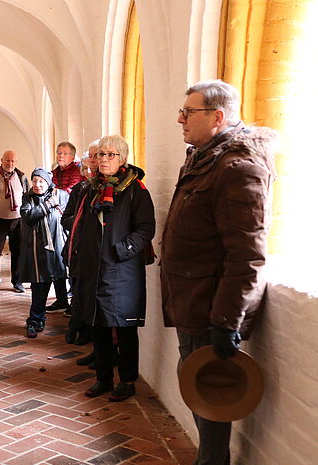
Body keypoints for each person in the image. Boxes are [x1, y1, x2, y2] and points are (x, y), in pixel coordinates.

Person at [162, 79, 276, 465]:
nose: (180, 119)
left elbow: (247, 254)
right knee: (195, 388)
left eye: (188, 112)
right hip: (192, 303)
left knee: (210, 397)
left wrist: (227, 320)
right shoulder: (205, 157)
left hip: (211, 308)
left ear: (218, 116)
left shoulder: (238, 166)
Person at [69, 135, 155, 402]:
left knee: (125, 328)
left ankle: (127, 381)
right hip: (95, 268)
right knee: (99, 326)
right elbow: (83, 226)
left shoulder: (136, 190)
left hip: (122, 271)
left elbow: (145, 229)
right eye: (101, 155)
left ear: (122, 159)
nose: (103, 160)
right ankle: (103, 379)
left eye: (110, 155)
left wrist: (121, 250)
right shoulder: (93, 189)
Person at [17, 168, 67, 338]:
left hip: (58, 249)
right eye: (35, 181)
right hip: (38, 252)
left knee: (61, 279)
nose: (37, 185)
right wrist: (47, 205)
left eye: (41, 181)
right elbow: (28, 216)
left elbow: (68, 217)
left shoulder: (60, 195)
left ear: (48, 182)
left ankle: (64, 307)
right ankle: (35, 319)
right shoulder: (28, 198)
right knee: (39, 286)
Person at [62, 141, 99, 354]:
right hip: (77, 247)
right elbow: (66, 218)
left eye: (91, 165)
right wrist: (79, 222)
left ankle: (87, 332)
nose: (89, 170)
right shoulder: (80, 190)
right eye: (85, 167)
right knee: (77, 289)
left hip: (93, 250)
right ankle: (76, 327)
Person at [0, 150, 30, 294]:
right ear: (1, 160)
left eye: (13, 161)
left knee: (18, 252)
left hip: (17, 220)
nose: (10, 164)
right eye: (7, 160)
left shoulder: (21, 177)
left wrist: (25, 216)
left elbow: (26, 197)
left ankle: (18, 281)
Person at [46, 141, 85, 311]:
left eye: (64, 153)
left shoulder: (77, 171)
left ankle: (74, 301)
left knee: (72, 259)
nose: (61, 156)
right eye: (58, 153)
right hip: (57, 220)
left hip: (72, 221)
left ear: (73, 156)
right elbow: (50, 189)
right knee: (58, 259)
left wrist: (56, 194)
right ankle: (62, 298)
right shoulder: (55, 172)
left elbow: (69, 192)